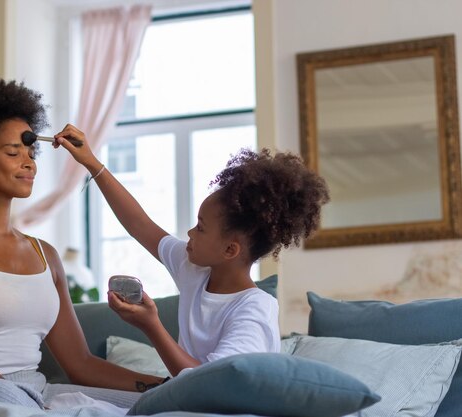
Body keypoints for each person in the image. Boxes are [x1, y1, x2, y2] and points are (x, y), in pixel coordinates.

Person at [0, 75, 165, 417]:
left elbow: (81, 364)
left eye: (31, 152)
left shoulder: (46, 255)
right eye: (13, 152)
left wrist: (166, 387)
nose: (29, 163)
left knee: (161, 408)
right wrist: (37, 409)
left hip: (37, 396)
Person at [54, 124, 330, 377]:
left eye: (200, 227)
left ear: (230, 249)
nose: (189, 233)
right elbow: (139, 224)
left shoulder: (254, 309)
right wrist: (92, 163)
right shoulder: (195, 270)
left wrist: (152, 326)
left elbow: (207, 382)